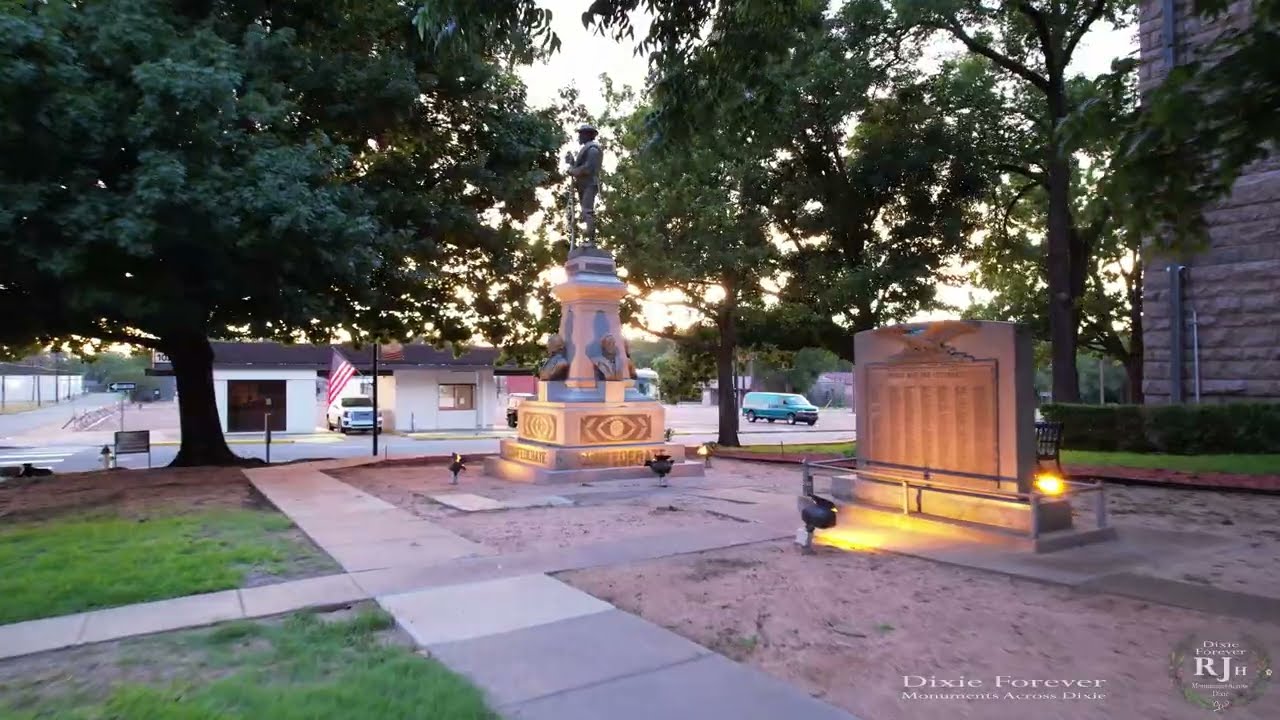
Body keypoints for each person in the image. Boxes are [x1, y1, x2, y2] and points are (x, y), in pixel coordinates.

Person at [564, 123, 603, 245]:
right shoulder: (587, 148)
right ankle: (590, 240)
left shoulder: (593, 150)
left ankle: (591, 241)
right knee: (585, 212)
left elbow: (588, 169)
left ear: (587, 135)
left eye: (581, 134)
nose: (579, 136)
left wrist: (572, 171)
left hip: (590, 184)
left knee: (587, 211)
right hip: (583, 185)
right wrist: (572, 162)